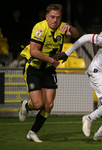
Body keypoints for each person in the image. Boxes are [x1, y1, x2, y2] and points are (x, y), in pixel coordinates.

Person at [18, 4, 79, 142]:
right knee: (38, 105)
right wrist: (52, 60)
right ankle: (26, 105)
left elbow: (76, 35)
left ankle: (32, 132)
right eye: (52, 17)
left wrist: (70, 27)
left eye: (58, 18)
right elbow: (34, 51)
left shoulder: (62, 27)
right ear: (46, 17)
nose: (55, 20)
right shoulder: (40, 28)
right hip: (34, 68)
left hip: (49, 70)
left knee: (49, 105)